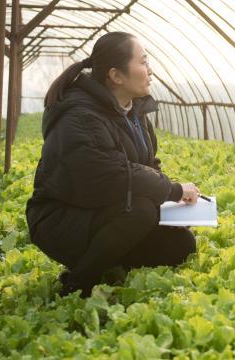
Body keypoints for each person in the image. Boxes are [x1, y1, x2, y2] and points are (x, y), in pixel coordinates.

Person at [26, 31, 200, 297]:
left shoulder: (134, 111)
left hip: (100, 209)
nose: (150, 70)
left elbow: (148, 165)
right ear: (116, 76)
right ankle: (77, 282)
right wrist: (173, 190)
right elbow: (113, 176)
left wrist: (170, 207)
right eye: (142, 62)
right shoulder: (81, 116)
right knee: (141, 210)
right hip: (61, 219)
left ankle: (108, 258)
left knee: (180, 244)